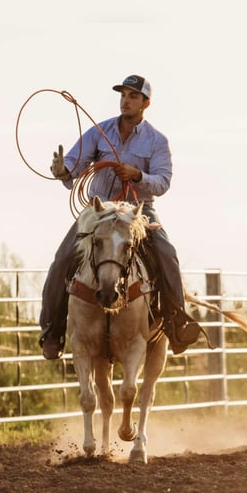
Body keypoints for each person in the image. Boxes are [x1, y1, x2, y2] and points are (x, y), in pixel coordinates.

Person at [39, 74, 201, 359]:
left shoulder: (156, 141)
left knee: (167, 254)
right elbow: (75, 165)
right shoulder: (99, 133)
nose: (126, 100)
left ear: (145, 103)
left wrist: (137, 175)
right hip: (98, 212)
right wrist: (61, 169)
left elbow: (163, 182)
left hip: (138, 212)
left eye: (133, 96)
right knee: (62, 259)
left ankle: (177, 322)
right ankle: (52, 330)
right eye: (124, 95)